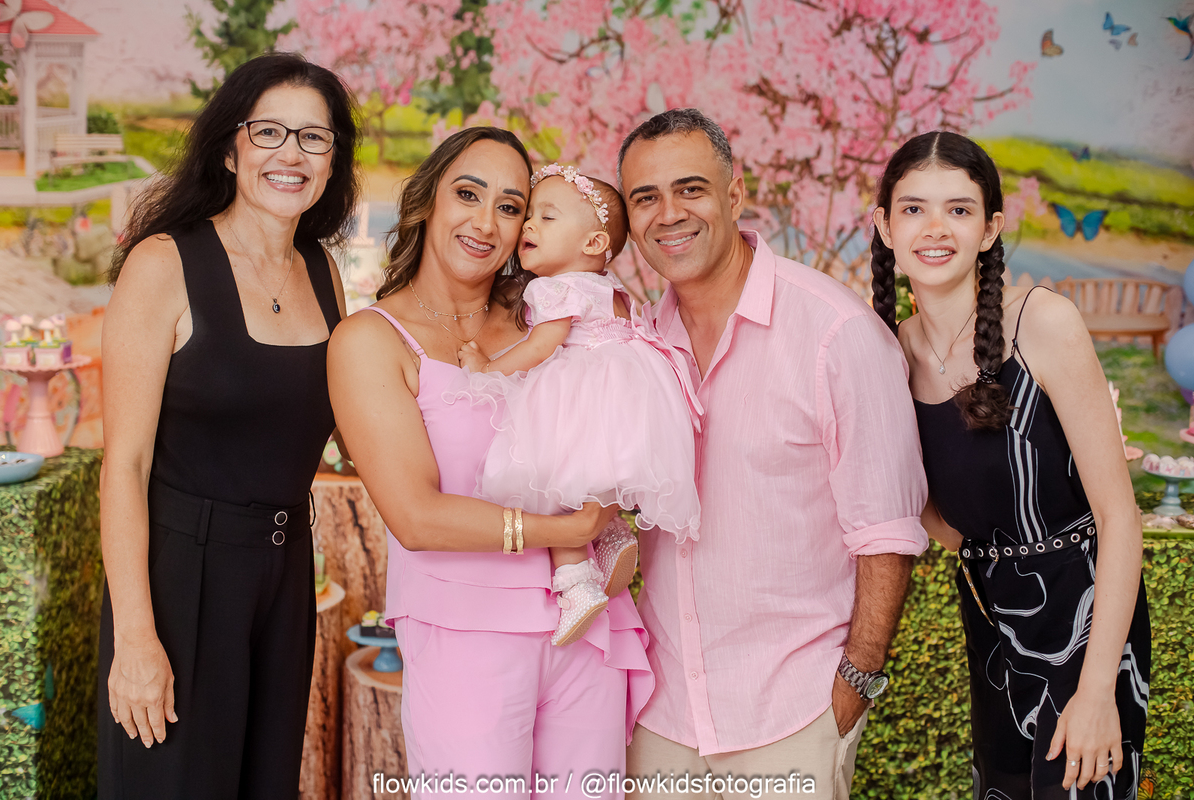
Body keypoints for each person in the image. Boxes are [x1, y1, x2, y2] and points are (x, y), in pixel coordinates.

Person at [327, 128, 653, 797]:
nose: (486, 222)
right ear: (427, 201)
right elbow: (417, 518)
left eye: (510, 206)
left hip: (586, 626)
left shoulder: (549, 310)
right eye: (468, 194)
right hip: (463, 634)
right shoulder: (371, 340)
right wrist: (566, 531)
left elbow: (618, 404)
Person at [617, 108, 929, 799]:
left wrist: (851, 687)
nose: (669, 214)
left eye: (691, 189)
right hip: (661, 715)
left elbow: (886, 532)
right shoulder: (638, 345)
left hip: (793, 712)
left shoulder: (837, 332)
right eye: (646, 197)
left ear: (734, 195)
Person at [97, 53, 360, 798]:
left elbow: (345, 431)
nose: (291, 154)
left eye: (313, 137)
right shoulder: (164, 264)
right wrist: (136, 638)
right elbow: (125, 466)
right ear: (229, 148)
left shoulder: (322, 271)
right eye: (269, 131)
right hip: (180, 579)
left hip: (285, 575)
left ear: (333, 159)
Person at [869, 130, 1150, 798]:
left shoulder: (1043, 323)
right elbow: (935, 517)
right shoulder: (886, 352)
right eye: (913, 208)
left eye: (959, 209)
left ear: (991, 229)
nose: (935, 228)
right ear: (884, 226)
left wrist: (1097, 691)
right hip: (993, 621)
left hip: (1086, 620)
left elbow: (1120, 519)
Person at [448, 162, 700, 646]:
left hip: (582, 387)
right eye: (529, 216)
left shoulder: (553, 286)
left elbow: (542, 346)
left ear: (592, 243)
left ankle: (576, 584)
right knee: (589, 480)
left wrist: (486, 368)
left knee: (550, 486)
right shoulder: (609, 286)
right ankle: (611, 535)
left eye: (547, 217)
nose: (529, 226)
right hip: (632, 390)